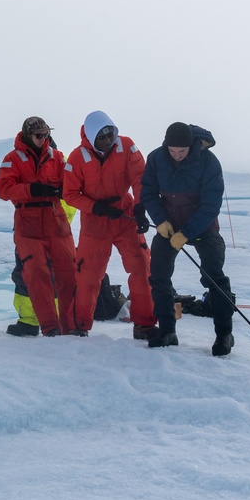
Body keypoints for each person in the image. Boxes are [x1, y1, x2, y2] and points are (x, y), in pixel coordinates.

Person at [141, 122, 234, 356]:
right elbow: (148, 193)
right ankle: (167, 331)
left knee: (213, 275)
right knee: (159, 275)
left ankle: (224, 334)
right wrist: (160, 220)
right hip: (169, 226)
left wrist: (187, 233)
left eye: (181, 151)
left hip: (202, 226)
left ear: (190, 146)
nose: (177, 155)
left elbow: (211, 205)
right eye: (172, 151)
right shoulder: (156, 158)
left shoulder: (208, 162)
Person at [63, 110, 158, 338]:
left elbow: (140, 177)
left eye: (110, 135)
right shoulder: (77, 158)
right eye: (101, 137)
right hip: (95, 221)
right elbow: (70, 194)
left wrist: (140, 207)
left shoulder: (127, 146)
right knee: (88, 275)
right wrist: (96, 207)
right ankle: (78, 326)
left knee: (142, 267)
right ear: (91, 136)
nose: (107, 141)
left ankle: (144, 324)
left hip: (125, 216)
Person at [0, 117, 75, 336]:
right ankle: (46, 326)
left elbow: (74, 183)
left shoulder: (58, 158)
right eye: (39, 135)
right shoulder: (12, 159)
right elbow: (4, 189)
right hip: (28, 224)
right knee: (35, 274)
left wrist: (65, 190)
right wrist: (33, 190)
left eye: (46, 134)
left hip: (56, 222)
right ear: (27, 135)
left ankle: (69, 325)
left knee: (67, 273)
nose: (44, 139)